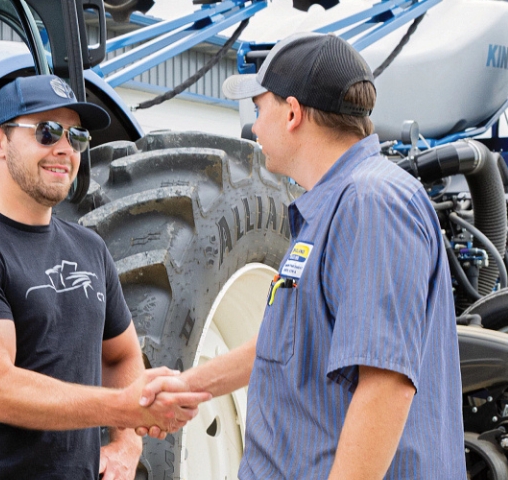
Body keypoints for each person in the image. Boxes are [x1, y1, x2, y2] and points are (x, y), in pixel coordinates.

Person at [143, 33, 464, 479]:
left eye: (259, 110)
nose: (254, 128)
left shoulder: (371, 203)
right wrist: (188, 386)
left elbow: (385, 386)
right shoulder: (329, 205)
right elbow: (293, 344)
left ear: (292, 113)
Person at [0, 74, 209, 480]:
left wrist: (126, 442)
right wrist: (124, 406)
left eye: (75, 137)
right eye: (46, 132)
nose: (64, 149)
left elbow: (121, 355)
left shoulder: (90, 250)